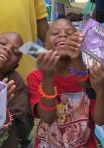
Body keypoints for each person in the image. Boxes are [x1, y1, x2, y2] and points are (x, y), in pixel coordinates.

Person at [27, 19, 97, 148]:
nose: (63, 35)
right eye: (55, 33)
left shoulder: (90, 76)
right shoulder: (35, 77)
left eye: (70, 33)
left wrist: (77, 58)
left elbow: (100, 119)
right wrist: (48, 77)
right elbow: (47, 118)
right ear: (45, 45)